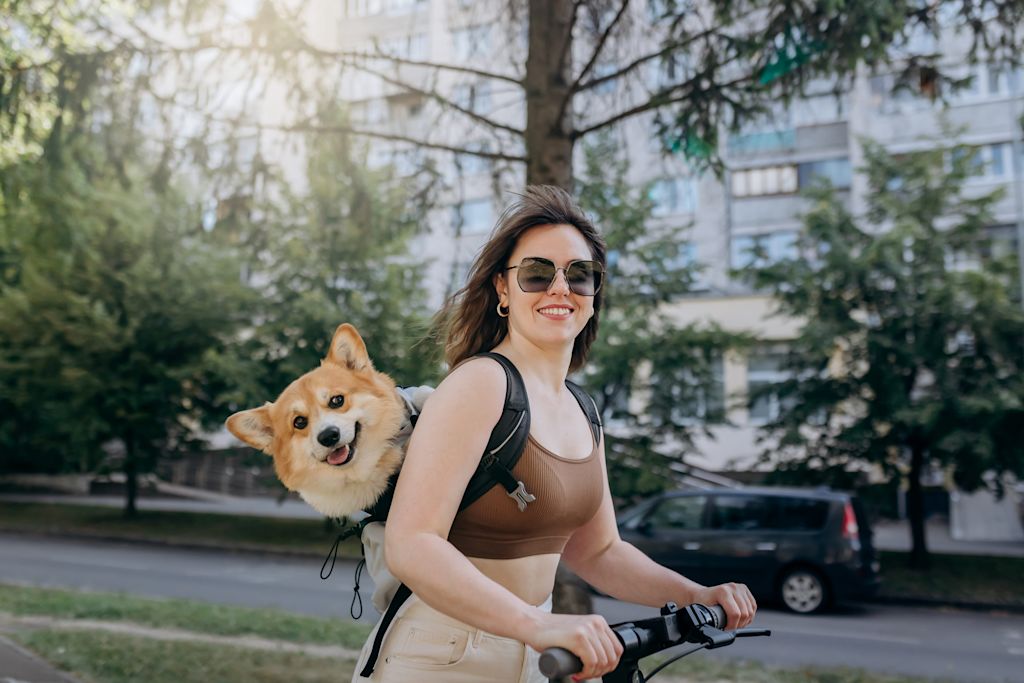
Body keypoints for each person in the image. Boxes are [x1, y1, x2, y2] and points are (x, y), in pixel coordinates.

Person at [351, 185, 756, 683]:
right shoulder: (481, 383)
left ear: (594, 294)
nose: (560, 288)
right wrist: (537, 623)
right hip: (446, 652)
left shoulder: (582, 409)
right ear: (503, 289)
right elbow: (412, 544)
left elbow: (598, 552)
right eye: (538, 273)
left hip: (538, 654)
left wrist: (698, 594)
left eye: (579, 274)